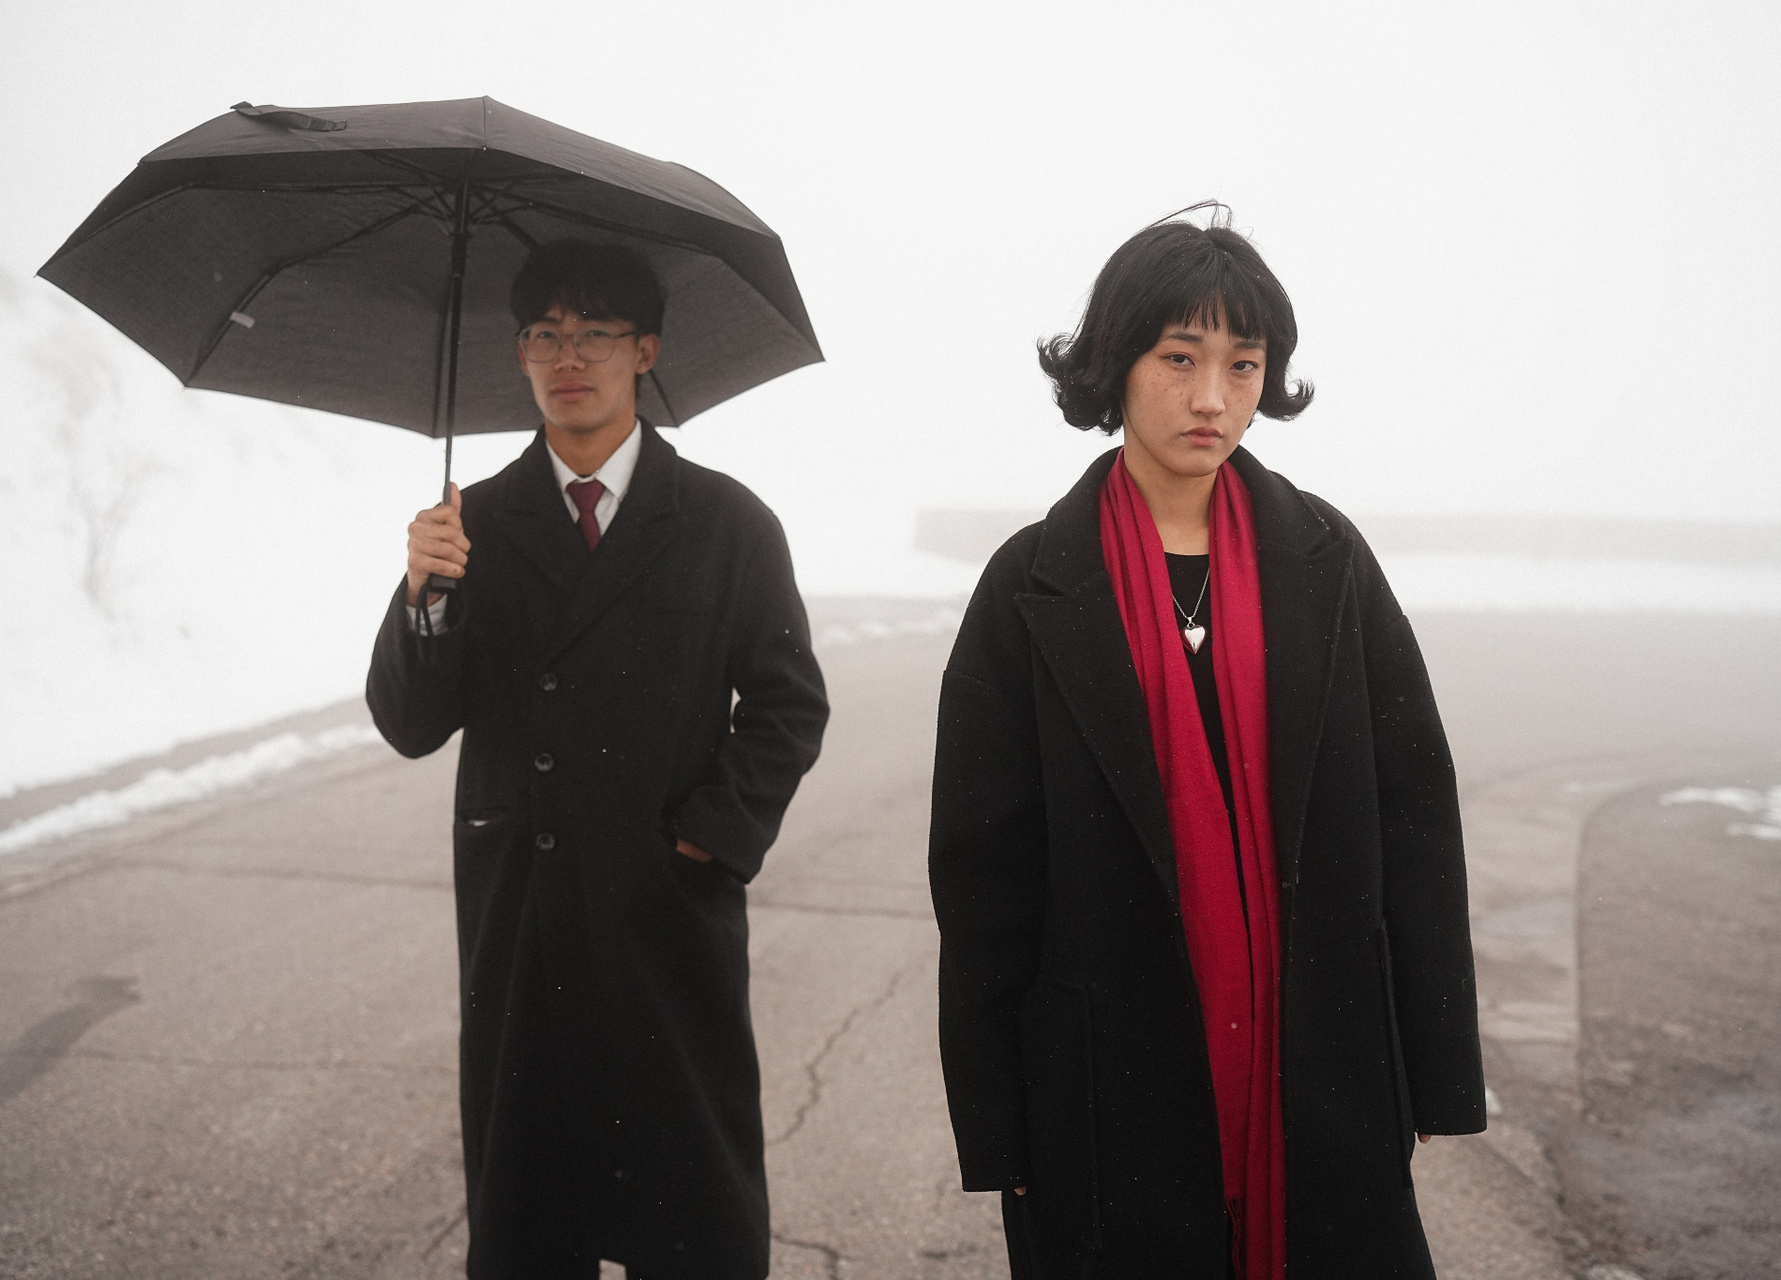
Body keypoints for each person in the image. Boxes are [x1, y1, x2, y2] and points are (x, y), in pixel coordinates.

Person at [928, 209, 1485, 1279]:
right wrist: (999, 1123)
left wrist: (1432, 1066)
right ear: (1116, 362)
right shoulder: (1031, 583)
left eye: (1243, 363)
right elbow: (984, 872)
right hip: (1104, 1082)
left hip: (1319, 1059)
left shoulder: (1326, 559)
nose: (1212, 397)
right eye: (1179, 357)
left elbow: (1414, 811)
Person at [367, 239, 829, 1280]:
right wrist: (425, 594)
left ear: (646, 350)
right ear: (520, 354)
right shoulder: (472, 524)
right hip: (521, 913)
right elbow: (409, 722)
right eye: (545, 334)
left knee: (692, 1212)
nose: (568, 357)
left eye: (596, 333)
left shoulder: (726, 522)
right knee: (533, 1213)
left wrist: (709, 836)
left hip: (666, 916)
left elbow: (788, 702)